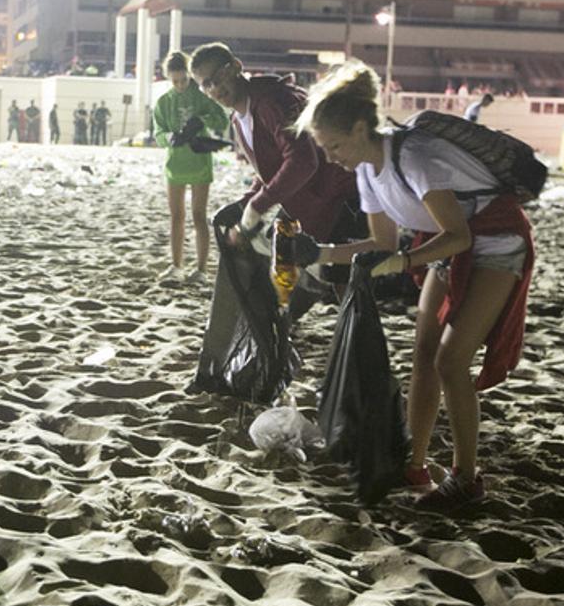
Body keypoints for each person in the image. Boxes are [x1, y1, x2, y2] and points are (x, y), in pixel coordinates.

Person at [294, 61, 535, 513]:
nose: (331, 157)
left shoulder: (415, 156)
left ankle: (466, 478)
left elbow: (457, 236)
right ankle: (416, 465)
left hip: (496, 241)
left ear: (363, 127)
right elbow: (381, 243)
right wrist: (320, 253)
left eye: (335, 146)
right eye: (324, 149)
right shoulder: (366, 169)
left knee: (451, 359)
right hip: (446, 244)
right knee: (423, 354)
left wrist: (402, 262)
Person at [189, 42, 362, 266]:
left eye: (218, 77)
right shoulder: (240, 117)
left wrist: (257, 205)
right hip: (311, 201)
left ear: (236, 67)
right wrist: (246, 201)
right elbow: (271, 167)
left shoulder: (272, 101)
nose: (214, 88)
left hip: (341, 199)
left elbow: (302, 161)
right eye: (206, 85)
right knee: (288, 276)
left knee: (334, 281)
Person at [152, 51, 230, 285]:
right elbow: (158, 134)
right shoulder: (164, 102)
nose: (180, 85)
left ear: (189, 76)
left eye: (183, 80)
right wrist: (169, 137)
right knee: (177, 216)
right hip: (175, 164)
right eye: (175, 81)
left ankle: (201, 269)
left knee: (198, 215)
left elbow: (222, 120)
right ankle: (176, 266)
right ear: (168, 78)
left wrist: (203, 121)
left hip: (199, 161)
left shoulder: (202, 95)